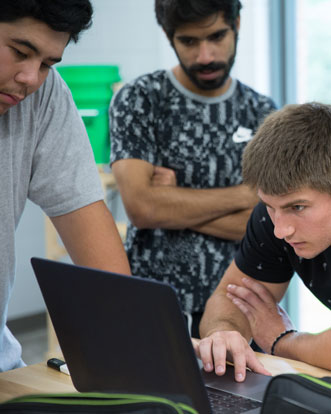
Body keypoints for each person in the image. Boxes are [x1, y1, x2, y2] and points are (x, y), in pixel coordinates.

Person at [109, 0, 276, 337]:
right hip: (153, 302)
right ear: (169, 36)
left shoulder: (263, 112)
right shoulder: (140, 99)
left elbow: (270, 225)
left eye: (216, 36)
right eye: (188, 41)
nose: (205, 56)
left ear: (237, 24)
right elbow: (142, 208)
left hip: (241, 306)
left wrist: (172, 202)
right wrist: (245, 195)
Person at [0, 0, 131, 372]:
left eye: (46, 64)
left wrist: (143, 345)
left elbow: (103, 268)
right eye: (20, 52)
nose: (30, 78)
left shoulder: (44, 96)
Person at [195, 102, 331, 382]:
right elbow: (232, 296)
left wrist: (283, 341)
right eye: (270, 206)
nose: (281, 230)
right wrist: (223, 332)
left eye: (298, 207)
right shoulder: (272, 220)